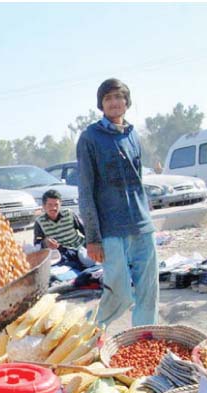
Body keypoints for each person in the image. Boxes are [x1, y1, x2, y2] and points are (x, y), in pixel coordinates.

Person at [76, 78, 158, 327]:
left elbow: (139, 180)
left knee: (148, 293)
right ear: (101, 104)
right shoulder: (90, 137)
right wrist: (92, 237)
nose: (114, 102)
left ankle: (145, 340)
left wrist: (147, 214)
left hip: (142, 227)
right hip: (112, 231)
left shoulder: (133, 135)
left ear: (127, 102)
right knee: (119, 294)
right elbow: (86, 191)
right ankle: (87, 336)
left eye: (118, 97)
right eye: (108, 98)